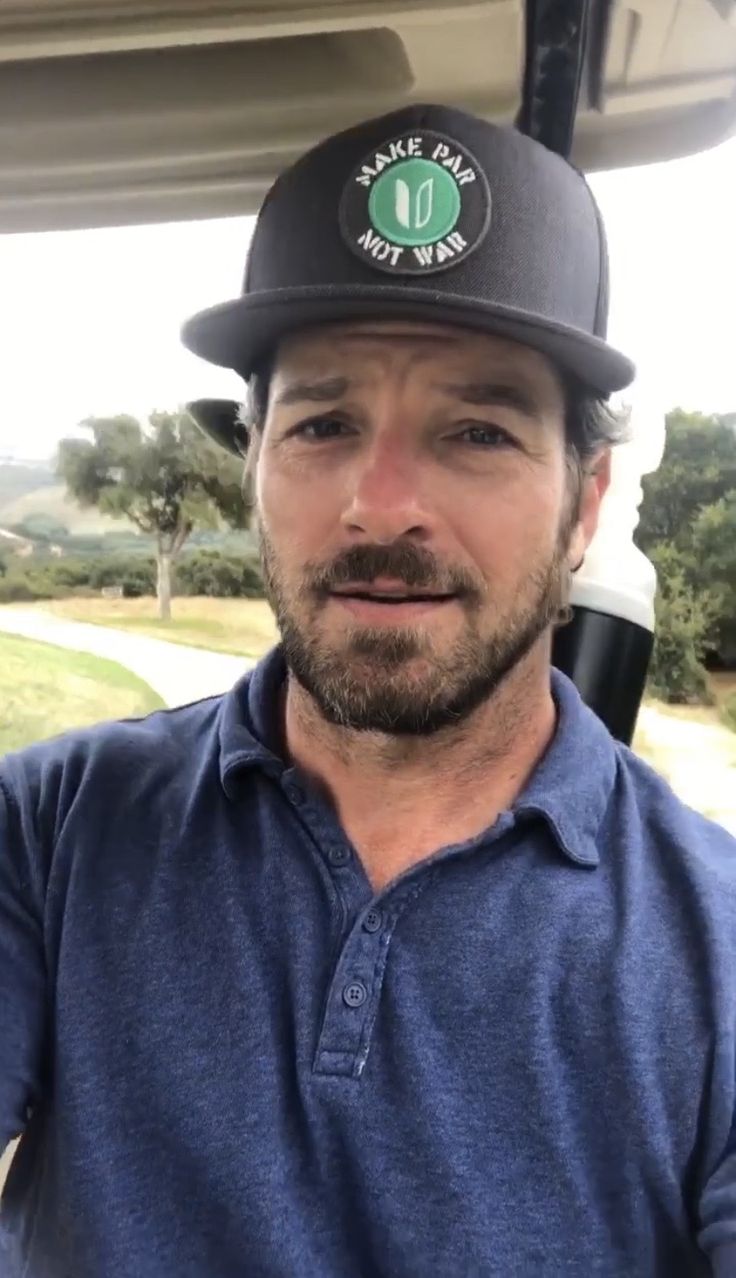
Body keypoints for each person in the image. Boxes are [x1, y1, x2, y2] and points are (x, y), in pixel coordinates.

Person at [0, 104, 734, 1278]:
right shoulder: (49, 830)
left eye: (479, 433)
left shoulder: (717, 945)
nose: (380, 504)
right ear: (252, 465)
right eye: (324, 422)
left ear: (583, 504)